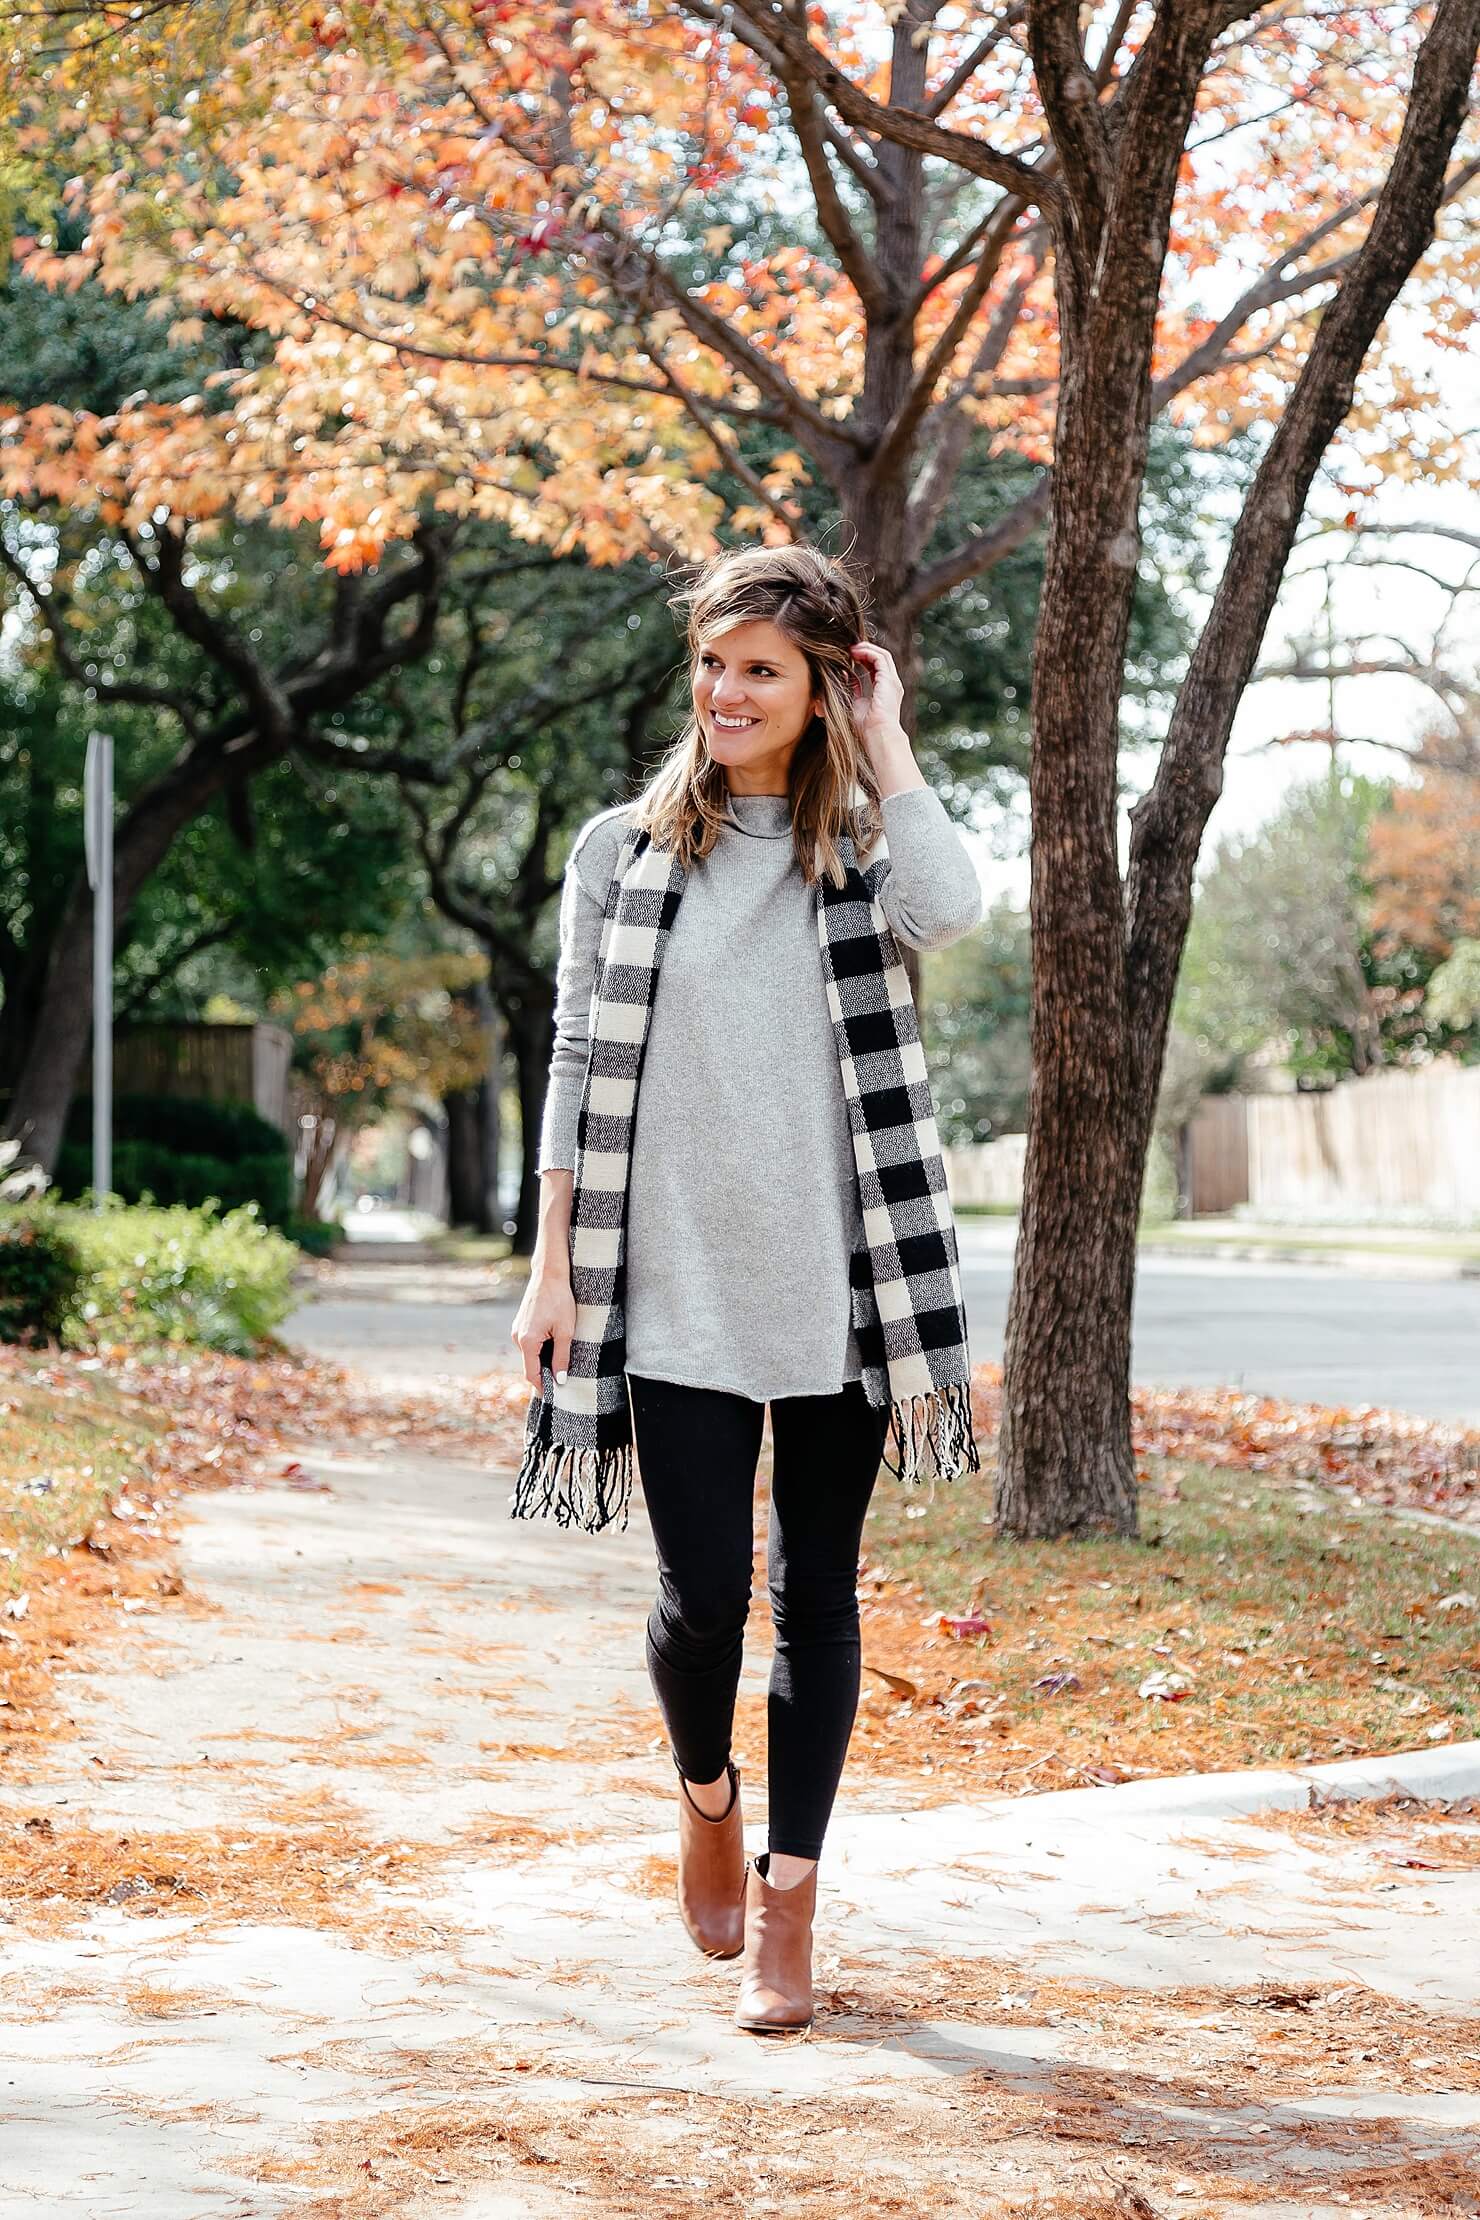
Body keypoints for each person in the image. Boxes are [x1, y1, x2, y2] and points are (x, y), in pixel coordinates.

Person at [510, 542, 983, 2034]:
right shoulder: (623, 854)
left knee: (816, 1597)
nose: (725, 691)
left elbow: (957, 905)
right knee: (701, 1595)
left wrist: (890, 738)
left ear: (821, 688)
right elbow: (576, 1059)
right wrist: (549, 1271)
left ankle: (790, 1907)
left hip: (841, 1281)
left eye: (761, 670)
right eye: (713, 664)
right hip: (674, 1276)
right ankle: (706, 1795)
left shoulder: (862, 859)